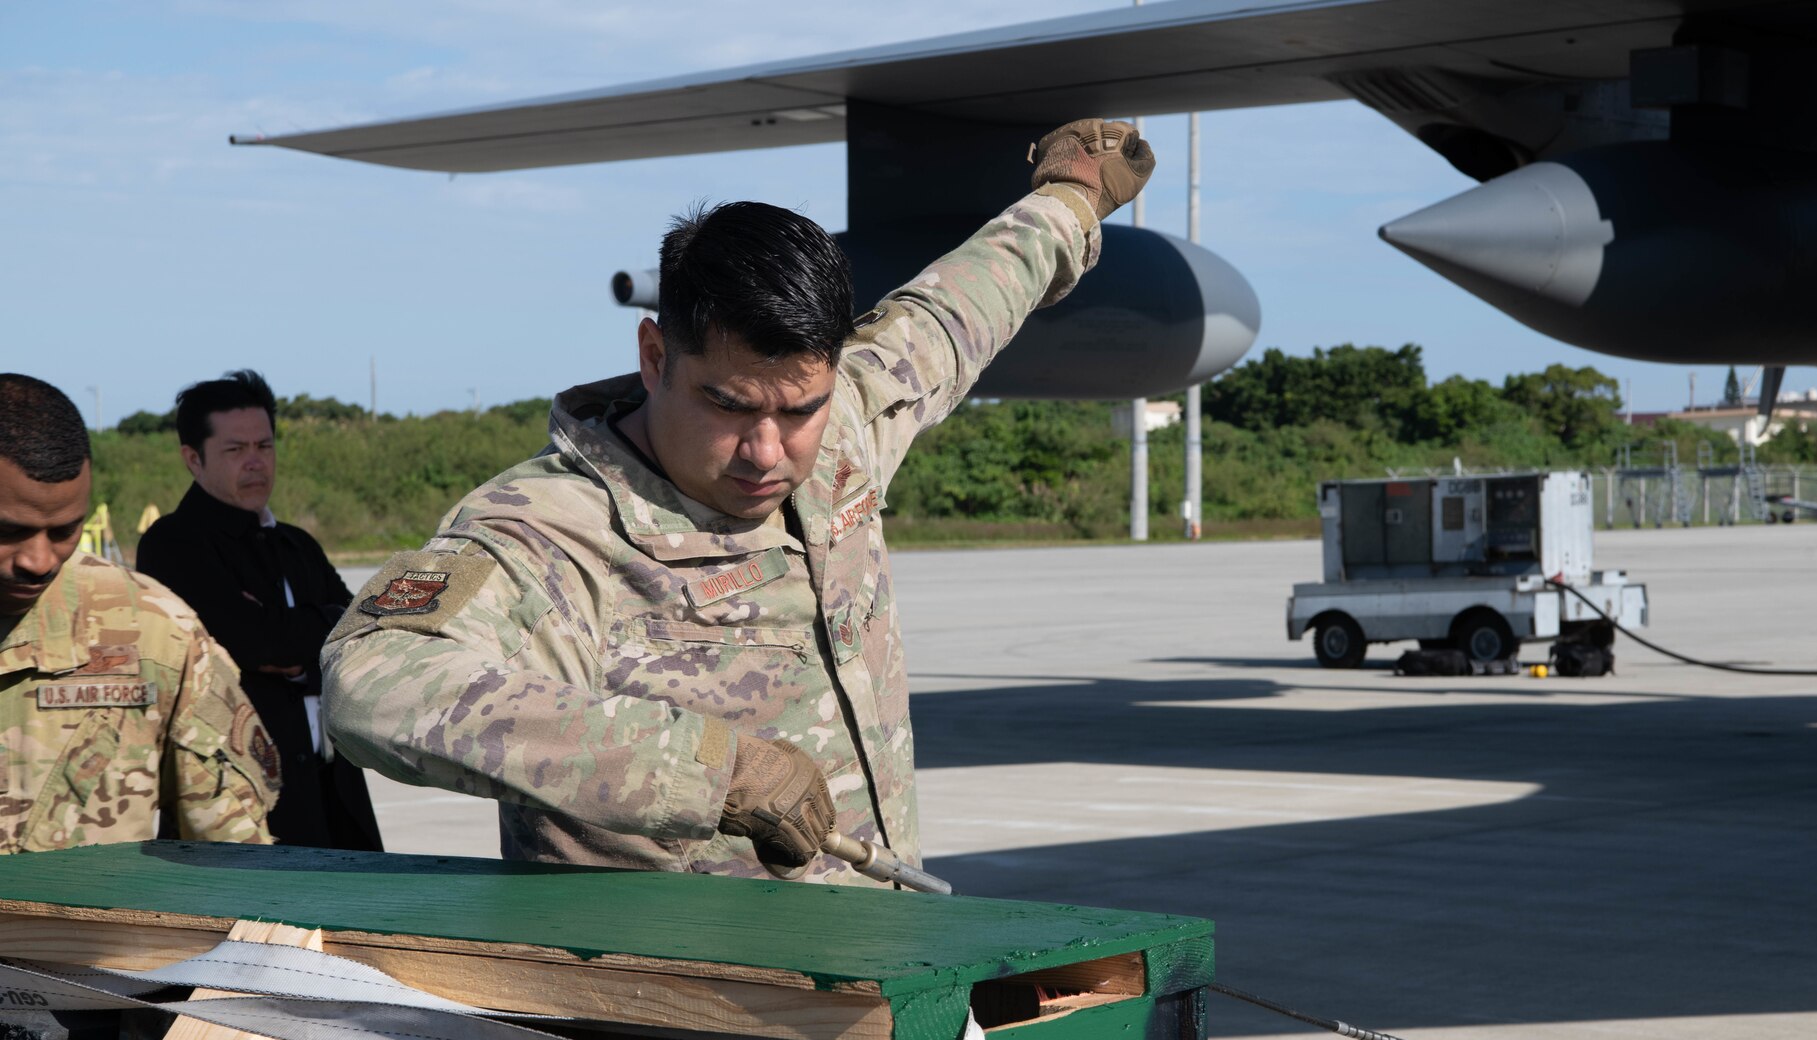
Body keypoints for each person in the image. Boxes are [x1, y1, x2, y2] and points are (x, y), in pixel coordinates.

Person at [323, 119, 1153, 879]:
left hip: (872, 966)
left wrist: (1073, 198)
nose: (767, 450)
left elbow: (961, 304)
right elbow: (372, 682)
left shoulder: (845, 429)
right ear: (655, 356)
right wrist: (713, 770)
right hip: (672, 1011)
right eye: (727, 405)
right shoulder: (553, 532)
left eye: (798, 409)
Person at [0, 374, 278, 853]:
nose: (38, 560)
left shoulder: (154, 635)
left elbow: (233, 860)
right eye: (10, 530)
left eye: (65, 530)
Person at [137, 371, 382, 850]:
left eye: (264, 447)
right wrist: (315, 630)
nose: (255, 463)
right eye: (235, 450)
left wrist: (295, 641)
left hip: (335, 792)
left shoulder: (297, 545)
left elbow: (364, 631)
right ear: (193, 458)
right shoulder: (173, 544)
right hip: (235, 799)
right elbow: (256, 640)